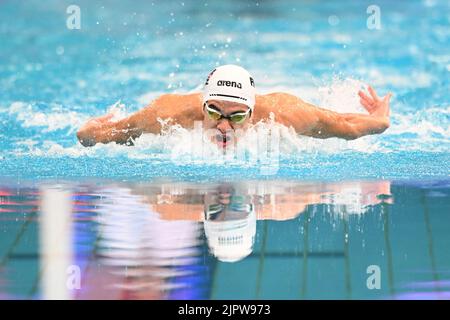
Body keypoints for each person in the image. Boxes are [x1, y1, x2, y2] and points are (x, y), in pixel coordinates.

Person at [77, 64, 392, 148]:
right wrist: (89, 132)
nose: (223, 126)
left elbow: (347, 126)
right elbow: (113, 133)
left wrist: (379, 120)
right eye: (214, 112)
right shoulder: (168, 115)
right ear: (202, 106)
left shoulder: (286, 116)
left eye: (237, 116)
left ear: (252, 114)